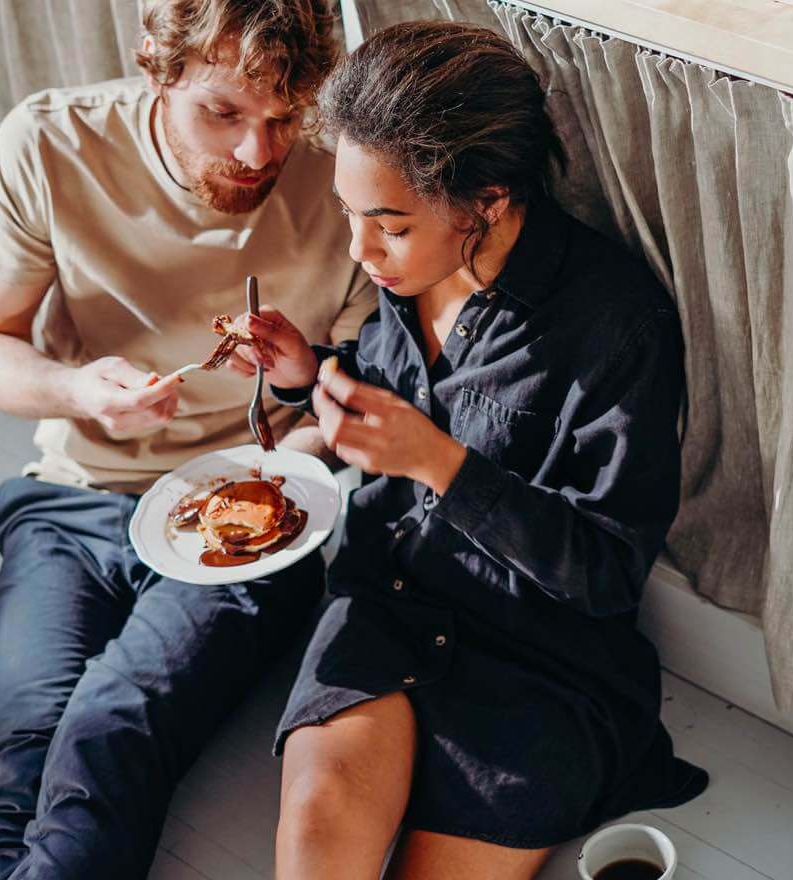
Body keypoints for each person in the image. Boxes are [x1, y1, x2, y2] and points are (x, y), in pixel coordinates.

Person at [240, 21, 709, 879]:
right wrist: (310, 379)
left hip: (538, 660)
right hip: (387, 604)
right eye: (350, 215)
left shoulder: (616, 323)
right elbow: (394, 402)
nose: (359, 250)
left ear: (486, 201)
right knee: (316, 844)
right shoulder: (404, 274)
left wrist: (441, 466)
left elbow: (605, 571)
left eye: (387, 224)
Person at [0, 1, 372, 876]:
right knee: (24, 745)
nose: (259, 155)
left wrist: (271, 474)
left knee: (110, 729)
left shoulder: (348, 177)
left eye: (284, 119)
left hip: (261, 521)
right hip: (74, 498)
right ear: (157, 65)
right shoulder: (49, 144)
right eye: (223, 113)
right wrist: (76, 391)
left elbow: (364, 388)